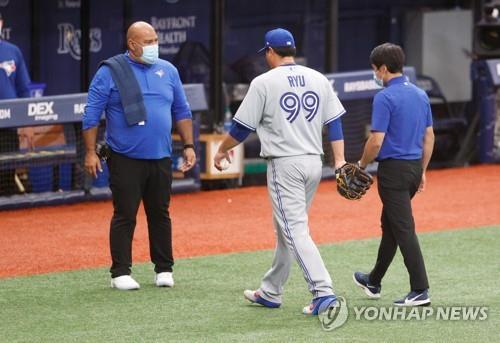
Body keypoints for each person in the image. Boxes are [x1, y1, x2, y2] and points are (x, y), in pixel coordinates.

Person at [214, 28, 347, 315]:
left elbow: (241, 128)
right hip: (314, 162)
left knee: (294, 229)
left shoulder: (263, 82)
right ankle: (271, 290)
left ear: (270, 52)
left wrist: (222, 149)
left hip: (285, 163)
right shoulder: (318, 78)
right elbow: (334, 122)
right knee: (286, 228)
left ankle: (323, 292)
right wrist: (339, 160)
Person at [82, 21, 196, 290]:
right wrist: (89, 152)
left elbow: (182, 110)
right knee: (125, 214)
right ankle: (120, 272)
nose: (154, 45)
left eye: (155, 40)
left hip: (161, 156)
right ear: (132, 44)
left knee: (160, 212)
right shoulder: (110, 72)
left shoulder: (168, 70)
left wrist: (189, 145)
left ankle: (164, 269)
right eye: (148, 41)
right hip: (125, 157)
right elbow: (91, 114)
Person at [353, 43, 435, 306]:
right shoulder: (420, 94)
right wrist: (422, 170)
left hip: (393, 173)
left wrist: (361, 165)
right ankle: (373, 281)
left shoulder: (384, 97)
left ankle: (420, 289)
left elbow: (376, 141)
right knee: (391, 227)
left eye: (375, 70)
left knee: (403, 229)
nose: (375, 75)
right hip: (412, 169)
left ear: (384, 69)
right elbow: (429, 136)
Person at [0, 12, 32, 196]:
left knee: (6, 177)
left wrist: (28, 122)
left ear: (1, 23)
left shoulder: (13, 51)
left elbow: (24, 90)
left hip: (9, 126)